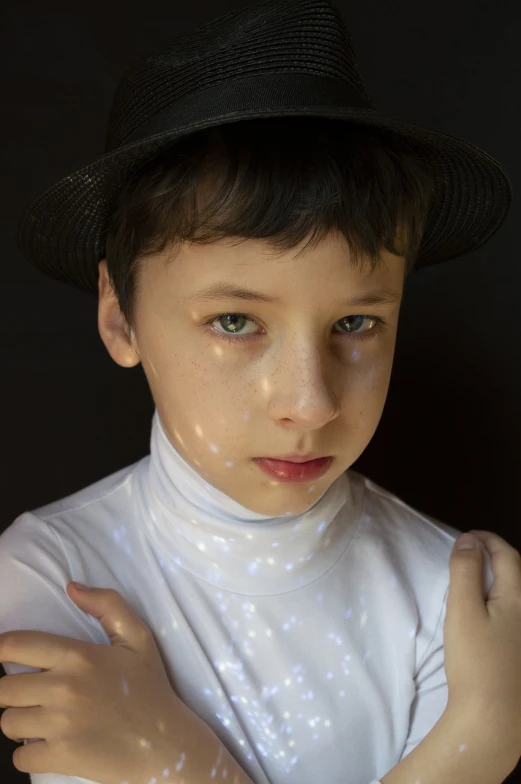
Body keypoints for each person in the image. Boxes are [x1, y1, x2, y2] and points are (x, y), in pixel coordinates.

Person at [1, 0, 519, 782]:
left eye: (354, 322)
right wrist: (471, 746)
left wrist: (175, 764)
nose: (310, 405)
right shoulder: (52, 574)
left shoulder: (455, 602)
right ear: (120, 317)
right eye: (235, 321)